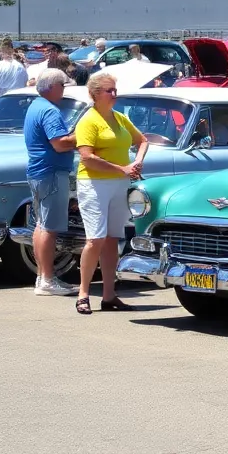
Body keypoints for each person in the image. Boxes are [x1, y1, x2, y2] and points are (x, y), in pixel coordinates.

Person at [74, 72, 147, 314]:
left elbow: (143, 141)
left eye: (115, 90)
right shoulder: (88, 120)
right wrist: (122, 168)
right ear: (95, 94)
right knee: (95, 239)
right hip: (94, 184)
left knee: (112, 239)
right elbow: (87, 157)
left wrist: (136, 162)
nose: (114, 94)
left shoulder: (119, 118)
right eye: (109, 91)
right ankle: (83, 293)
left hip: (118, 184)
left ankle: (108, 295)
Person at [22, 69, 78, 296]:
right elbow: (60, 144)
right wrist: (83, 135)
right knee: (49, 227)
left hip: (39, 172)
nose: (64, 91)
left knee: (41, 225)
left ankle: (42, 277)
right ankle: (47, 279)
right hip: (52, 172)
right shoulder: (49, 110)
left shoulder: (35, 106)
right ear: (54, 87)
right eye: (62, 86)